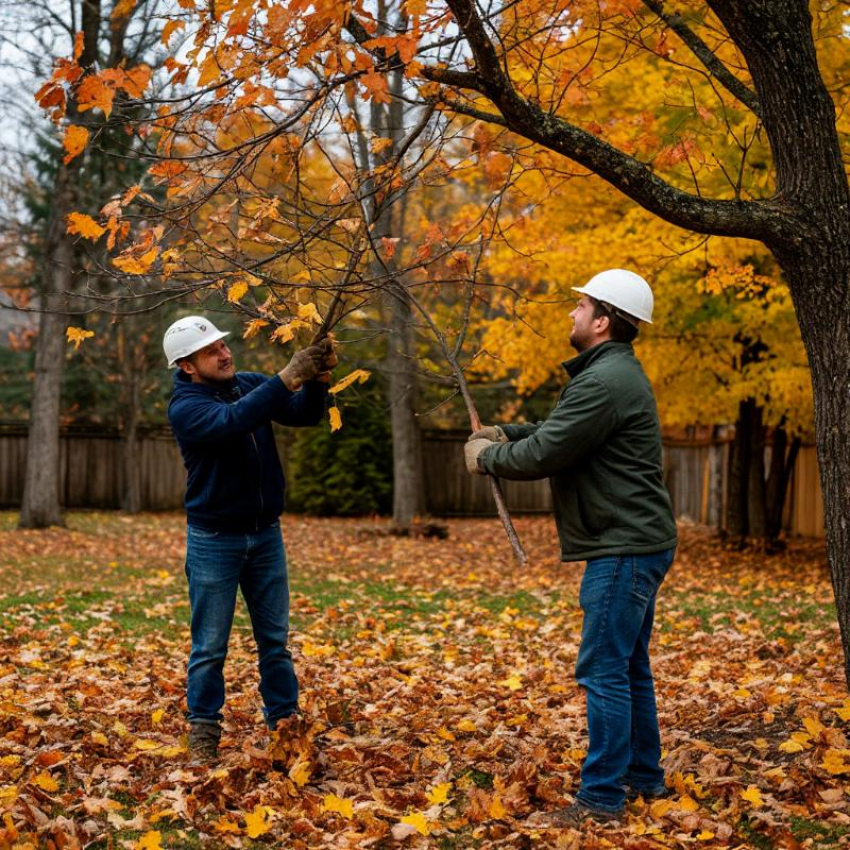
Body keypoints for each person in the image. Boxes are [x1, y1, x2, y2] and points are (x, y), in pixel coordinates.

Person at [464, 270, 677, 825]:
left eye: (579, 306)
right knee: (629, 667)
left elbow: (547, 453)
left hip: (622, 546)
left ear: (603, 320)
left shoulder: (604, 381)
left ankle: (602, 799)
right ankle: (644, 780)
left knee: (604, 669)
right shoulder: (608, 374)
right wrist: (505, 432)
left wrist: (487, 458)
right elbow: (555, 429)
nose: (571, 314)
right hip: (636, 540)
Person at [162, 315, 337, 762]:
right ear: (187, 366)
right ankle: (203, 733)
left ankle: (284, 723)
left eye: (223, 345)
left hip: (265, 536)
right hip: (214, 541)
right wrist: (286, 377)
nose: (224, 353)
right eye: (211, 351)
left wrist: (315, 380)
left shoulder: (248, 384)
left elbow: (304, 415)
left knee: (275, 642)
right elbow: (233, 420)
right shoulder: (186, 407)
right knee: (210, 647)